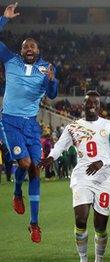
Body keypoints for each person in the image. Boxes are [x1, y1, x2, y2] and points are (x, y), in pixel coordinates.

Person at [39, 91, 110, 262]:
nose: (91, 105)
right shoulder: (73, 127)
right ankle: (83, 261)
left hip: (104, 181)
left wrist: (101, 162)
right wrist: (51, 158)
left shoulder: (109, 126)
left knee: (100, 226)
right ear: (82, 106)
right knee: (81, 218)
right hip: (82, 177)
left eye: (94, 102)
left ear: (100, 106)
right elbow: (59, 147)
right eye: (87, 103)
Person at [0, 3, 58, 242]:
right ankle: (16, 192)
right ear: (21, 50)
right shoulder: (10, 60)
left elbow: (52, 94)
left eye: (33, 46)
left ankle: (34, 224)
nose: (29, 49)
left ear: (39, 50)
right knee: (24, 163)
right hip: (10, 121)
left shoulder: (46, 68)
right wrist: (4, 19)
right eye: (25, 47)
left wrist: (52, 81)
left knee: (34, 170)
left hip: (31, 125)